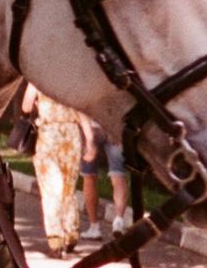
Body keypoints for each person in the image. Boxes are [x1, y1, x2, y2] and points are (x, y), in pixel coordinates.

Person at [24, 84, 92, 255]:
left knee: (51, 189)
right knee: (68, 187)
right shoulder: (71, 80)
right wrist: (90, 140)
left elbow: (26, 106)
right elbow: (81, 111)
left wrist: (40, 105)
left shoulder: (37, 80)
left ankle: (56, 239)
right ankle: (71, 234)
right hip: (71, 135)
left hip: (47, 136)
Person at [80, 124, 131, 240]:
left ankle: (94, 227)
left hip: (91, 128)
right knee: (118, 174)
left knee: (89, 177)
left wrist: (88, 139)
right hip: (113, 127)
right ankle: (118, 221)